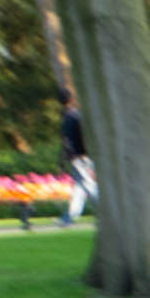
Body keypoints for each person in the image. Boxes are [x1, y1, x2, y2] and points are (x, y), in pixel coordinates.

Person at [56, 86, 93, 226]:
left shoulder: (67, 117)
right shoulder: (76, 114)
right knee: (79, 187)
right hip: (82, 155)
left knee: (88, 185)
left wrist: (62, 160)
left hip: (77, 156)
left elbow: (66, 141)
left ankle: (105, 214)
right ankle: (70, 216)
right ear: (71, 98)